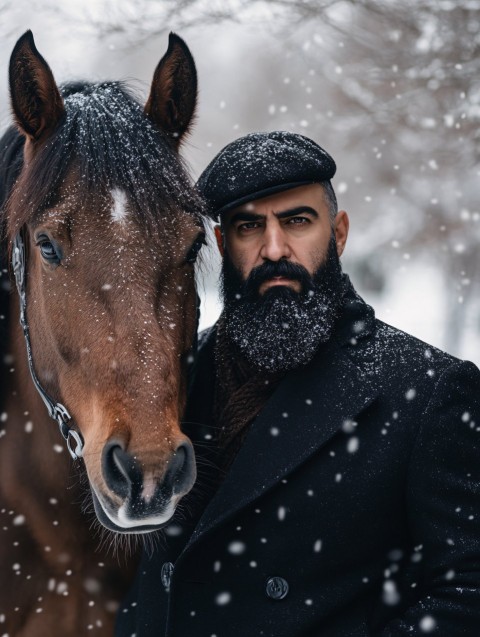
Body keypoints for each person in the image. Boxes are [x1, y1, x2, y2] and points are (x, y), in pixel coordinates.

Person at [116, 131, 480, 637]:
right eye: (248, 227)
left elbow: (468, 587)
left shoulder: (427, 389)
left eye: (297, 221)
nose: (273, 248)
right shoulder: (171, 378)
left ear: (339, 232)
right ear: (222, 244)